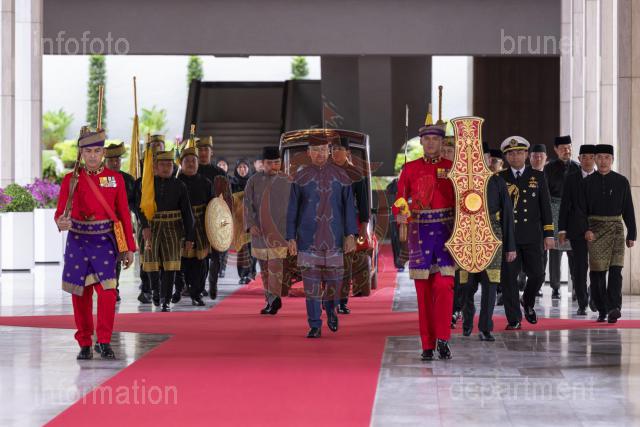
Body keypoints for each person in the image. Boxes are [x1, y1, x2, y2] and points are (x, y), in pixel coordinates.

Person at [55, 127, 135, 360]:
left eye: (97, 151)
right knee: (80, 295)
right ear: (81, 153)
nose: (92, 156)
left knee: (108, 293)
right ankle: (84, 343)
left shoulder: (115, 179)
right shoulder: (71, 180)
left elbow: (123, 214)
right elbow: (60, 212)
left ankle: (104, 341)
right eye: (88, 151)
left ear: (103, 153)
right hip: (78, 241)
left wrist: (129, 247)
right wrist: (61, 221)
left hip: (104, 242)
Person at [393, 123, 456, 360]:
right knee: (423, 293)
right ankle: (427, 344)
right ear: (421, 142)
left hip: (446, 235)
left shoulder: (452, 167)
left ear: (442, 142)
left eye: (435, 139)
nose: (431, 143)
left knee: (444, 287)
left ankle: (443, 338)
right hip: (419, 235)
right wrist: (400, 212)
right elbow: (400, 199)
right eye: (427, 139)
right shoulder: (410, 168)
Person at [286, 132, 358, 338]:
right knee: (311, 285)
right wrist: (290, 237)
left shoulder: (342, 176)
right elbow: (292, 209)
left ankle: (330, 306)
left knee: (335, 282)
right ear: (309, 152)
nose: (320, 154)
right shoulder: (300, 177)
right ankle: (315, 324)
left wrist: (351, 234)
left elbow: (349, 208)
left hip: (334, 238)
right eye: (316, 150)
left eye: (324, 150)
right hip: (307, 239)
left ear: (329, 151)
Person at [461, 145, 517, 341]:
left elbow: (508, 215)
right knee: (467, 284)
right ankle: (467, 319)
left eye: (483, 157)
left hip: (493, 236)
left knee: (490, 283)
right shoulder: (463, 181)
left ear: (488, 159)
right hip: (467, 236)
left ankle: (485, 327)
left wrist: (510, 246)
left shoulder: (497, 181)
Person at [498, 136, 554, 329]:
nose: (515, 156)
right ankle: (514, 319)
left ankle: (527, 301)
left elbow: (545, 207)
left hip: (532, 236)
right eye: (511, 153)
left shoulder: (537, 176)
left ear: (526, 155)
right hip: (509, 237)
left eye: (519, 153)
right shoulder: (499, 178)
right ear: (506, 157)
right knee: (509, 279)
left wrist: (549, 234)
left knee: (538, 274)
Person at [579, 144, 636, 323]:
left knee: (616, 270)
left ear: (612, 159)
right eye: (600, 157)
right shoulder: (586, 183)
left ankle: (614, 308)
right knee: (597, 273)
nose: (603, 161)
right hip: (594, 230)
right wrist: (585, 229)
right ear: (595, 159)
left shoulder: (621, 181)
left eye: (607, 157)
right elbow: (580, 210)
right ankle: (602, 308)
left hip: (617, 229)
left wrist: (632, 233)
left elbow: (628, 209)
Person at [139, 150, 195, 312]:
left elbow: (187, 213)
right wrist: (145, 226)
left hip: (173, 229)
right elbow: (140, 207)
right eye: (162, 164)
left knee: (171, 266)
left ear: (173, 167)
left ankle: (166, 299)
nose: (165, 168)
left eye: (169, 165)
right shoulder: (147, 184)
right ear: (155, 167)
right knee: (151, 264)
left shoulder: (180, 185)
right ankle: (155, 291)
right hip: (152, 228)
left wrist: (190, 237)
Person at [244, 146, 292, 315]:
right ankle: (270, 299)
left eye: (276, 162)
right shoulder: (253, 181)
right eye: (270, 163)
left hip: (280, 232)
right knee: (264, 269)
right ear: (263, 163)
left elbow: (295, 207)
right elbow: (247, 204)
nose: (273, 166)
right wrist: (250, 224)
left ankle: (275, 298)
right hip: (259, 232)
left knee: (275, 267)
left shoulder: (288, 181)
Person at [331, 137, 371, 314]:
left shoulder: (355, 173)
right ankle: (329, 298)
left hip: (349, 225)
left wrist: (363, 226)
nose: (335, 152)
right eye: (333, 149)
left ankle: (342, 301)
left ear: (347, 152)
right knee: (328, 263)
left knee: (346, 263)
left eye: (339, 149)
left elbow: (363, 202)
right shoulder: (326, 171)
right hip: (327, 224)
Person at [558, 144, 596, 315]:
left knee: (598, 267)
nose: (588, 160)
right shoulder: (571, 178)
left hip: (598, 230)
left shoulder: (602, 178)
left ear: (595, 159)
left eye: (591, 157)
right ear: (579, 159)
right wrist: (562, 230)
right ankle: (582, 302)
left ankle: (595, 296)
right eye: (584, 157)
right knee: (580, 268)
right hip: (576, 229)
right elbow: (565, 205)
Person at [544, 135, 580, 299]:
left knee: (574, 252)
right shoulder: (548, 168)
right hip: (554, 211)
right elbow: (544, 193)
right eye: (563, 148)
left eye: (569, 147)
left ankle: (576, 287)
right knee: (555, 253)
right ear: (556, 150)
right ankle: (555, 287)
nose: (567, 150)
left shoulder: (578, 167)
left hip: (572, 213)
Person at [195, 136, 231, 299]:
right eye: (200, 150)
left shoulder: (220, 173)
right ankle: (199, 285)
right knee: (200, 255)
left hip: (216, 218)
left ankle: (213, 283)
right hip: (198, 219)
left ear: (211, 152)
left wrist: (226, 220)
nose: (203, 153)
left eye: (206, 150)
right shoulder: (192, 171)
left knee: (216, 255)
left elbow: (227, 198)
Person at [178, 146, 214, 306]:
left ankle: (197, 293)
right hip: (181, 226)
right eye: (187, 161)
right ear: (181, 164)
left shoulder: (206, 183)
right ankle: (183, 288)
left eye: (194, 161)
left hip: (201, 227)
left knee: (201, 263)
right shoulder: (176, 183)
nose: (191, 164)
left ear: (198, 163)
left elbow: (213, 206)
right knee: (184, 262)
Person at [104, 142, 137, 302]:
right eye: (111, 160)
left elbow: (134, 203)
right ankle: (106, 286)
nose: (115, 163)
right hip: (103, 224)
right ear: (105, 161)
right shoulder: (102, 178)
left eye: (117, 160)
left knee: (118, 257)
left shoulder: (128, 179)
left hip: (121, 225)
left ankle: (114, 287)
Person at [232, 158, 257, 284]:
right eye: (240, 167)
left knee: (252, 249)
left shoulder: (253, 183)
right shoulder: (232, 184)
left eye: (245, 167)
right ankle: (242, 275)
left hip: (252, 221)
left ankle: (251, 273)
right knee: (241, 249)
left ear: (248, 169)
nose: (242, 169)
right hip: (238, 222)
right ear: (236, 169)